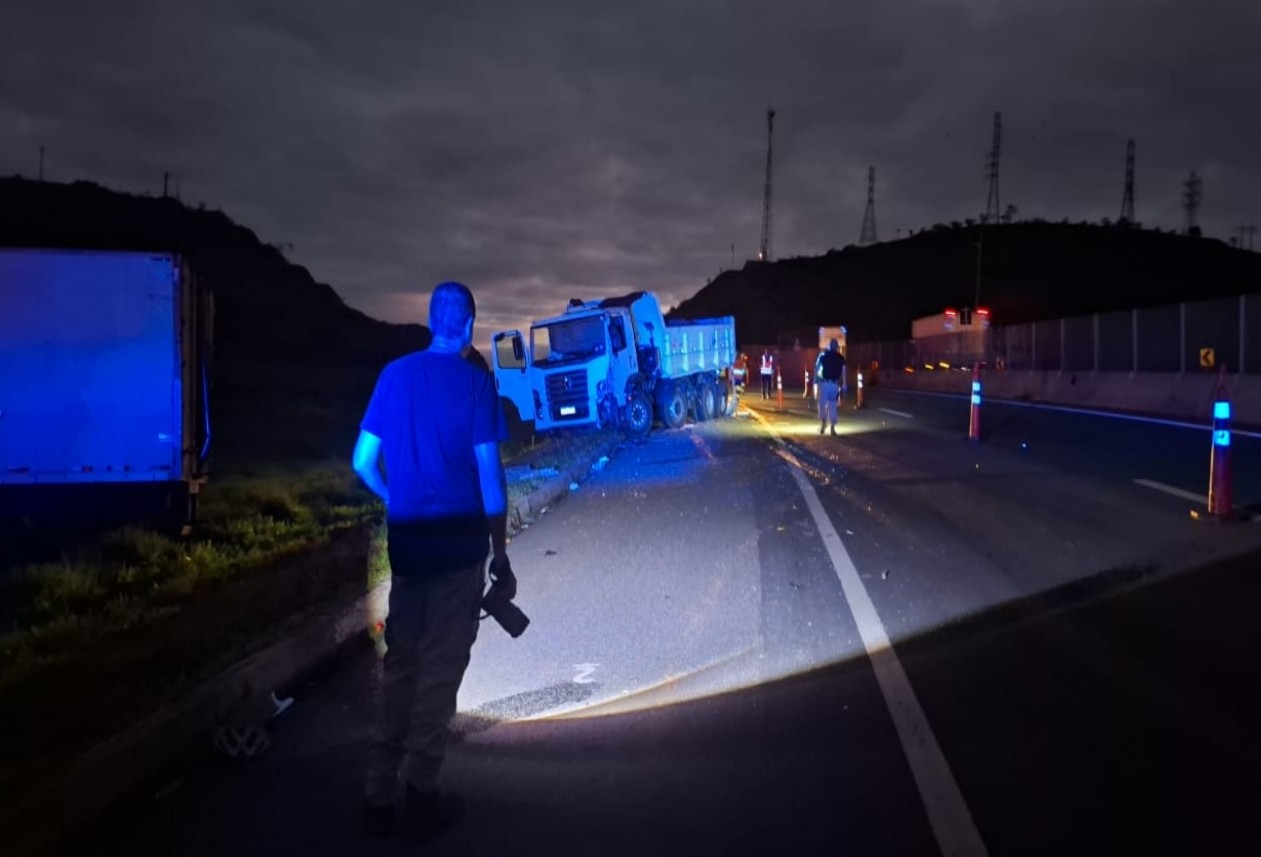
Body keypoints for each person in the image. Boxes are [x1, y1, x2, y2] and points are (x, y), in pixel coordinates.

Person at [352, 281, 513, 843]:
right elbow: (491, 482)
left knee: (402, 665)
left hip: (410, 550)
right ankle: (421, 791)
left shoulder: (393, 376)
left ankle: (377, 795)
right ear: (469, 326)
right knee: (440, 672)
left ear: (430, 321)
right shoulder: (476, 384)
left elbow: (362, 460)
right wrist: (501, 555)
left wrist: (394, 498)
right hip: (459, 552)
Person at [814, 338, 847, 435]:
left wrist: (816, 379)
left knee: (821, 404)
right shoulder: (840, 357)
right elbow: (843, 372)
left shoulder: (824, 355)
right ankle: (832, 427)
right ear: (837, 347)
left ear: (830, 346)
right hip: (834, 385)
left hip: (825, 383)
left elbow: (817, 367)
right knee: (833, 405)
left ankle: (824, 423)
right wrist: (844, 384)